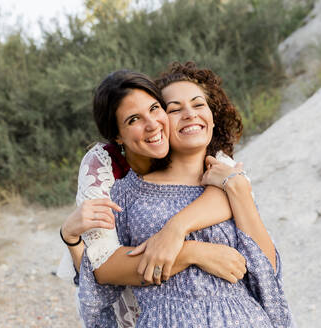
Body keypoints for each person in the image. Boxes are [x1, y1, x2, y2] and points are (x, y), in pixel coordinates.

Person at [77, 62, 293, 327]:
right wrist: (191, 252)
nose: (190, 114)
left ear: (212, 115)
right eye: (174, 109)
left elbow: (266, 271)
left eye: (198, 104)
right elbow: (103, 273)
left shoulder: (231, 182)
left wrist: (237, 190)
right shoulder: (127, 192)